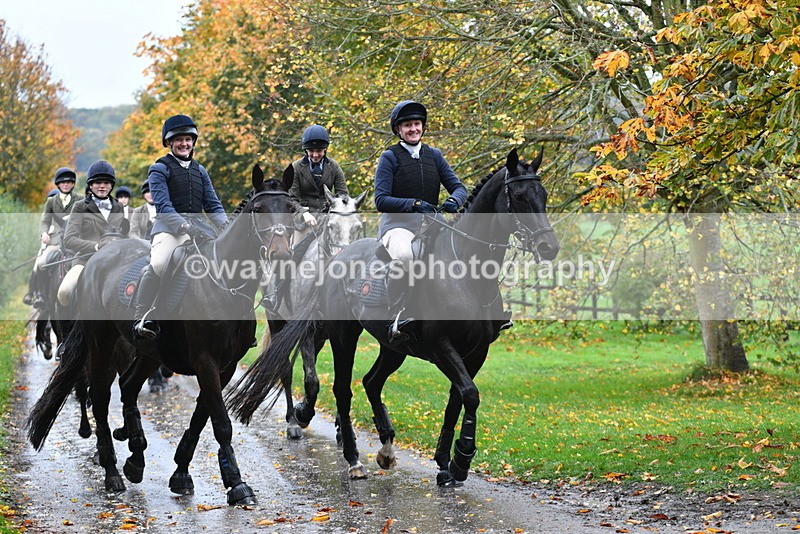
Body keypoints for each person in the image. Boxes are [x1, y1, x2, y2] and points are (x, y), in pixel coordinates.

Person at [373, 100, 468, 342]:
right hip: (397, 227)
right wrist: (413, 204)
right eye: (407, 125)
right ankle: (398, 315)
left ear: (423, 126)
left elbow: (458, 187)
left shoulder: (434, 155)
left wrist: (454, 202)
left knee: (462, 253)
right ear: (398, 130)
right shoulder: (389, 157)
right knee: (406, 256)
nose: (413, 129)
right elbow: (381, 200)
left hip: (432, 226)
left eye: (416, 124)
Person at [132, 114, 229, 340]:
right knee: (159, 262)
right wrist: (185, 226)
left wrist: (225, 226)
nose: (184, 143)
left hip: (199, 228)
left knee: (223, 259)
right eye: (179, 140)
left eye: (188, 139)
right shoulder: (159, 169)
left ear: (193, 141)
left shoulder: (200, 170)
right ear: (169, 143)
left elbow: (213, 204)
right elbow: (164, 207)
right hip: (169, 229)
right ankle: (142, 315)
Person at [57, 160, 128, 308]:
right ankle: (68, 330)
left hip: (116, 262)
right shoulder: (80, 206)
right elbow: (69, 239)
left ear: (112, 185)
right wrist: (95, 246)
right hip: (85, 260)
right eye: (97, 182)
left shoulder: (119, 207)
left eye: (106, 183)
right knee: (64, 292)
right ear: (90, 185)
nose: (102, 186)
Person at [23, 167, 83, 307]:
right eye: (63, 182)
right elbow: (45, 221)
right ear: (58, 184)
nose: (66, 184)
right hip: (55, 241)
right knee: (41, 263)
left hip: (75, 241)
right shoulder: (51, 202)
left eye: (69, 182)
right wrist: (44, 233)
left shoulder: (80, 199)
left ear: (73, 183)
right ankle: (41, 295)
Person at [289, 124, 349, 242]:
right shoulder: (296, 167)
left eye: (319, 151)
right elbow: (291, 199)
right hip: (303, 223)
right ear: (305, 150)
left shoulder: (334, 167)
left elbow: (343, 196)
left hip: (328, 221)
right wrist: (303, 214)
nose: (315, 155)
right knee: (296, 252)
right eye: (311, 151)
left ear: (325, 149)